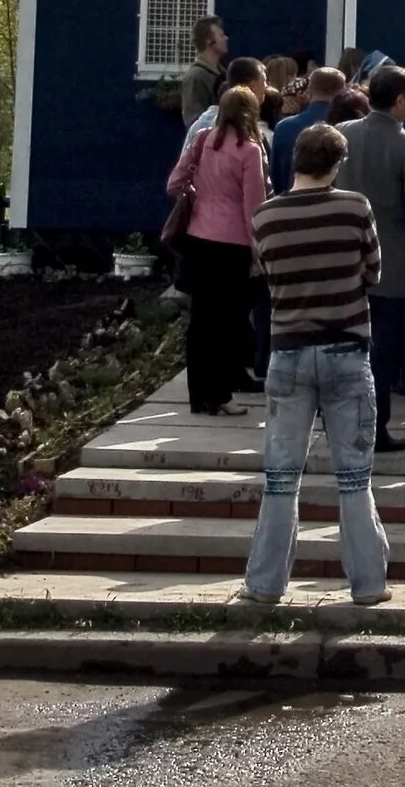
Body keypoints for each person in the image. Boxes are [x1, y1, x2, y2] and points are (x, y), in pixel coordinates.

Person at [240, 120, 390, 606]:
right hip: (346, 348)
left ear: (296, 160)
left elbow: (266, 275)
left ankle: (265, 584)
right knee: (353, 478)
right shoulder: (355, 208)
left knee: (281, 479)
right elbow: (373, 270)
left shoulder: (265, 217)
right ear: (336, 163)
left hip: (288, 352)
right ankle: (368, 584)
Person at [340, 62, 405, 456]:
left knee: (349, 348)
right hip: (393, 264)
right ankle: (376, 429)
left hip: (347, 260)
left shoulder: (344, 134)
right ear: (400, 100)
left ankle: (345, 424)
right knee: (382, 352)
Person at [163, 84, 266, 417]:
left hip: (198, 239)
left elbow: (174, 184)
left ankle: (199, 396)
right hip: (233, 244)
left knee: (201, 321)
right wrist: (257, 251)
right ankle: (222, 393)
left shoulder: (203, 139)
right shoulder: (250, 150)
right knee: (229, 321)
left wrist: (198, 194)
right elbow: (254, 206)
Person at [271, 65, 347, 192]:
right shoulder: (347, 126)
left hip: (291, 205)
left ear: (309, 90)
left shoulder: (283, 128)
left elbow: (276, 177)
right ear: (342, 92)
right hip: (337, 206)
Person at [178, 15, 229, 123]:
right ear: (208, 41)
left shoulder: (223, 72)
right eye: (221, 35)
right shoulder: (195, 77)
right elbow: (194, 121)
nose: (226, 38)